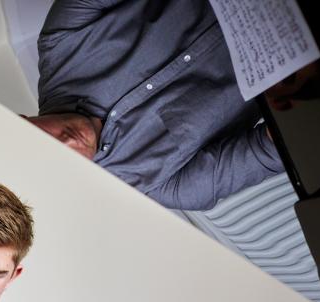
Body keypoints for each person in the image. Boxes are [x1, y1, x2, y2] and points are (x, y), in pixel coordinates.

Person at [25, 0, 284, 212]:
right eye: (63, 164)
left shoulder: (61, 39)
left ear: (22, 120)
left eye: (40, 139)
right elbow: (273, 148)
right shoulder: (164, 185)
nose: (68, 142)